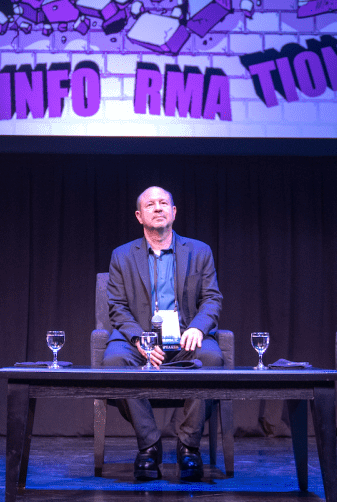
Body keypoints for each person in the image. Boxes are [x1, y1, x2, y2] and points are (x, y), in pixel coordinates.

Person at [101, 186, 223, 482]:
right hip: (139, 340)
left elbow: (212, 299)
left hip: (184, 338)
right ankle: (150, 446)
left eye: (164, 203)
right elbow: (117, 307)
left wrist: (196, 327)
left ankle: (188, 446)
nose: (158, 208)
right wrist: (139, 339)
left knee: (210, 356)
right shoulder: (122, 255)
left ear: (174, 212)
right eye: (150, 204)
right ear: (139, 216)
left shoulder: (199, 251)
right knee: (114, 362)